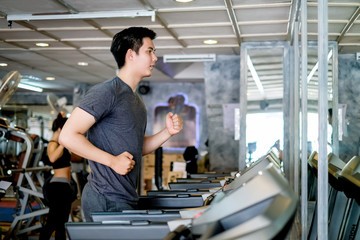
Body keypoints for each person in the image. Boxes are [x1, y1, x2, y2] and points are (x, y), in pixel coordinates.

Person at [59, 27, 183, 222]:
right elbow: (67, 136)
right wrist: (112, 161)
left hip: (125, 196)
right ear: (131, 55)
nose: (155, 58)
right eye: (149, 51)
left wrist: (168, 132)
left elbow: (136, 147)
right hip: (105, 197)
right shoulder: (107, 92)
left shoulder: (136, 100)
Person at [40, 112, 76, 240]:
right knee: (52, 222)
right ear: (61, 129)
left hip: (65, 187)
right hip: (57, 187)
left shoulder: (60, 145)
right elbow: (52, 158)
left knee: (62, 224)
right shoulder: (53, 144)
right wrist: (63, 143)